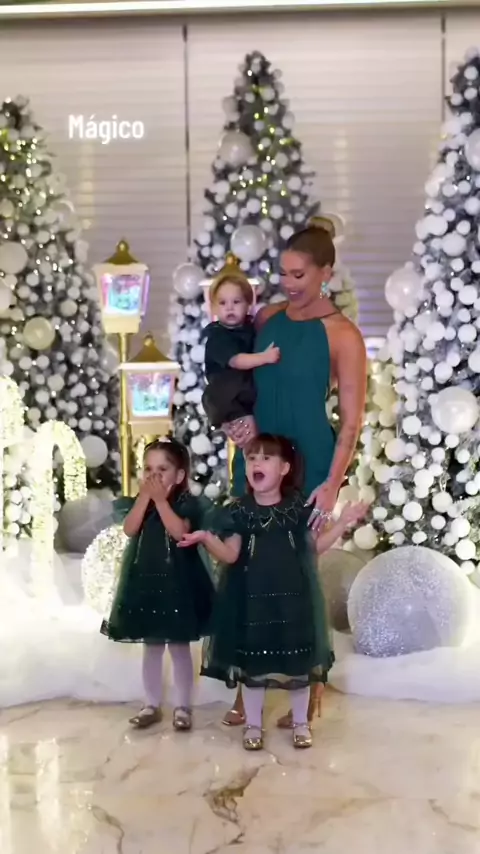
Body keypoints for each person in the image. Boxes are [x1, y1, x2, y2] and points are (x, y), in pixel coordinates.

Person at [223, 218, 367, 728]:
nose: (288, 283)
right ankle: (247, 683)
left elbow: (351, 421)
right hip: (257, 456)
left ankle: (313, 686)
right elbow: (233, 376)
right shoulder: (266, 318)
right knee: (246, 566)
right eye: (283, 273)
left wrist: (332, 483)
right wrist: (236, 420)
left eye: (299, 274)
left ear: (326, 272)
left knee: (300, 573)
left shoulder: (343, 335)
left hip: (310, 459)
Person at [179, 434, 367, 751]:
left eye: (266, 458)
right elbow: (231, 555)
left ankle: (301, 723)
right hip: (252, 601)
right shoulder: (238, 512)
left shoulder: (297, 510)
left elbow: (314, 548)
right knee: (253, 668)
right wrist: (206, 539)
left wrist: (342, 523)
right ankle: (253, 724)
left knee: (298, 667)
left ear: (283, 468)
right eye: (252, 458)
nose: (257, 463)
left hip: (294, 599)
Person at [101, 438, 214, 732]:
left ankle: (183, 706)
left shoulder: (186, 504)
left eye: (162, 469)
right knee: (151, 647)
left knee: (178, 647)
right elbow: (130, 529)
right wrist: (144, 498)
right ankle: (150, 703)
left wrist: (161, 501)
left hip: (179, 584)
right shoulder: (141, 503)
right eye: (148, 469)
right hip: (145, 582)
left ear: (179, 474)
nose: (154, 476)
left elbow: (179, 532)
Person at [202, 254, 280, 437]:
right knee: (245, 431)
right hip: (226, 395)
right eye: (222, 303)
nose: (229, 308)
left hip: (245, 392)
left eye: (236, 302)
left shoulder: (250, 328)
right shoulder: (218, 336)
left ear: (248, 305)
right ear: (214, 308)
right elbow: (237, 361)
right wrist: (264, 358)